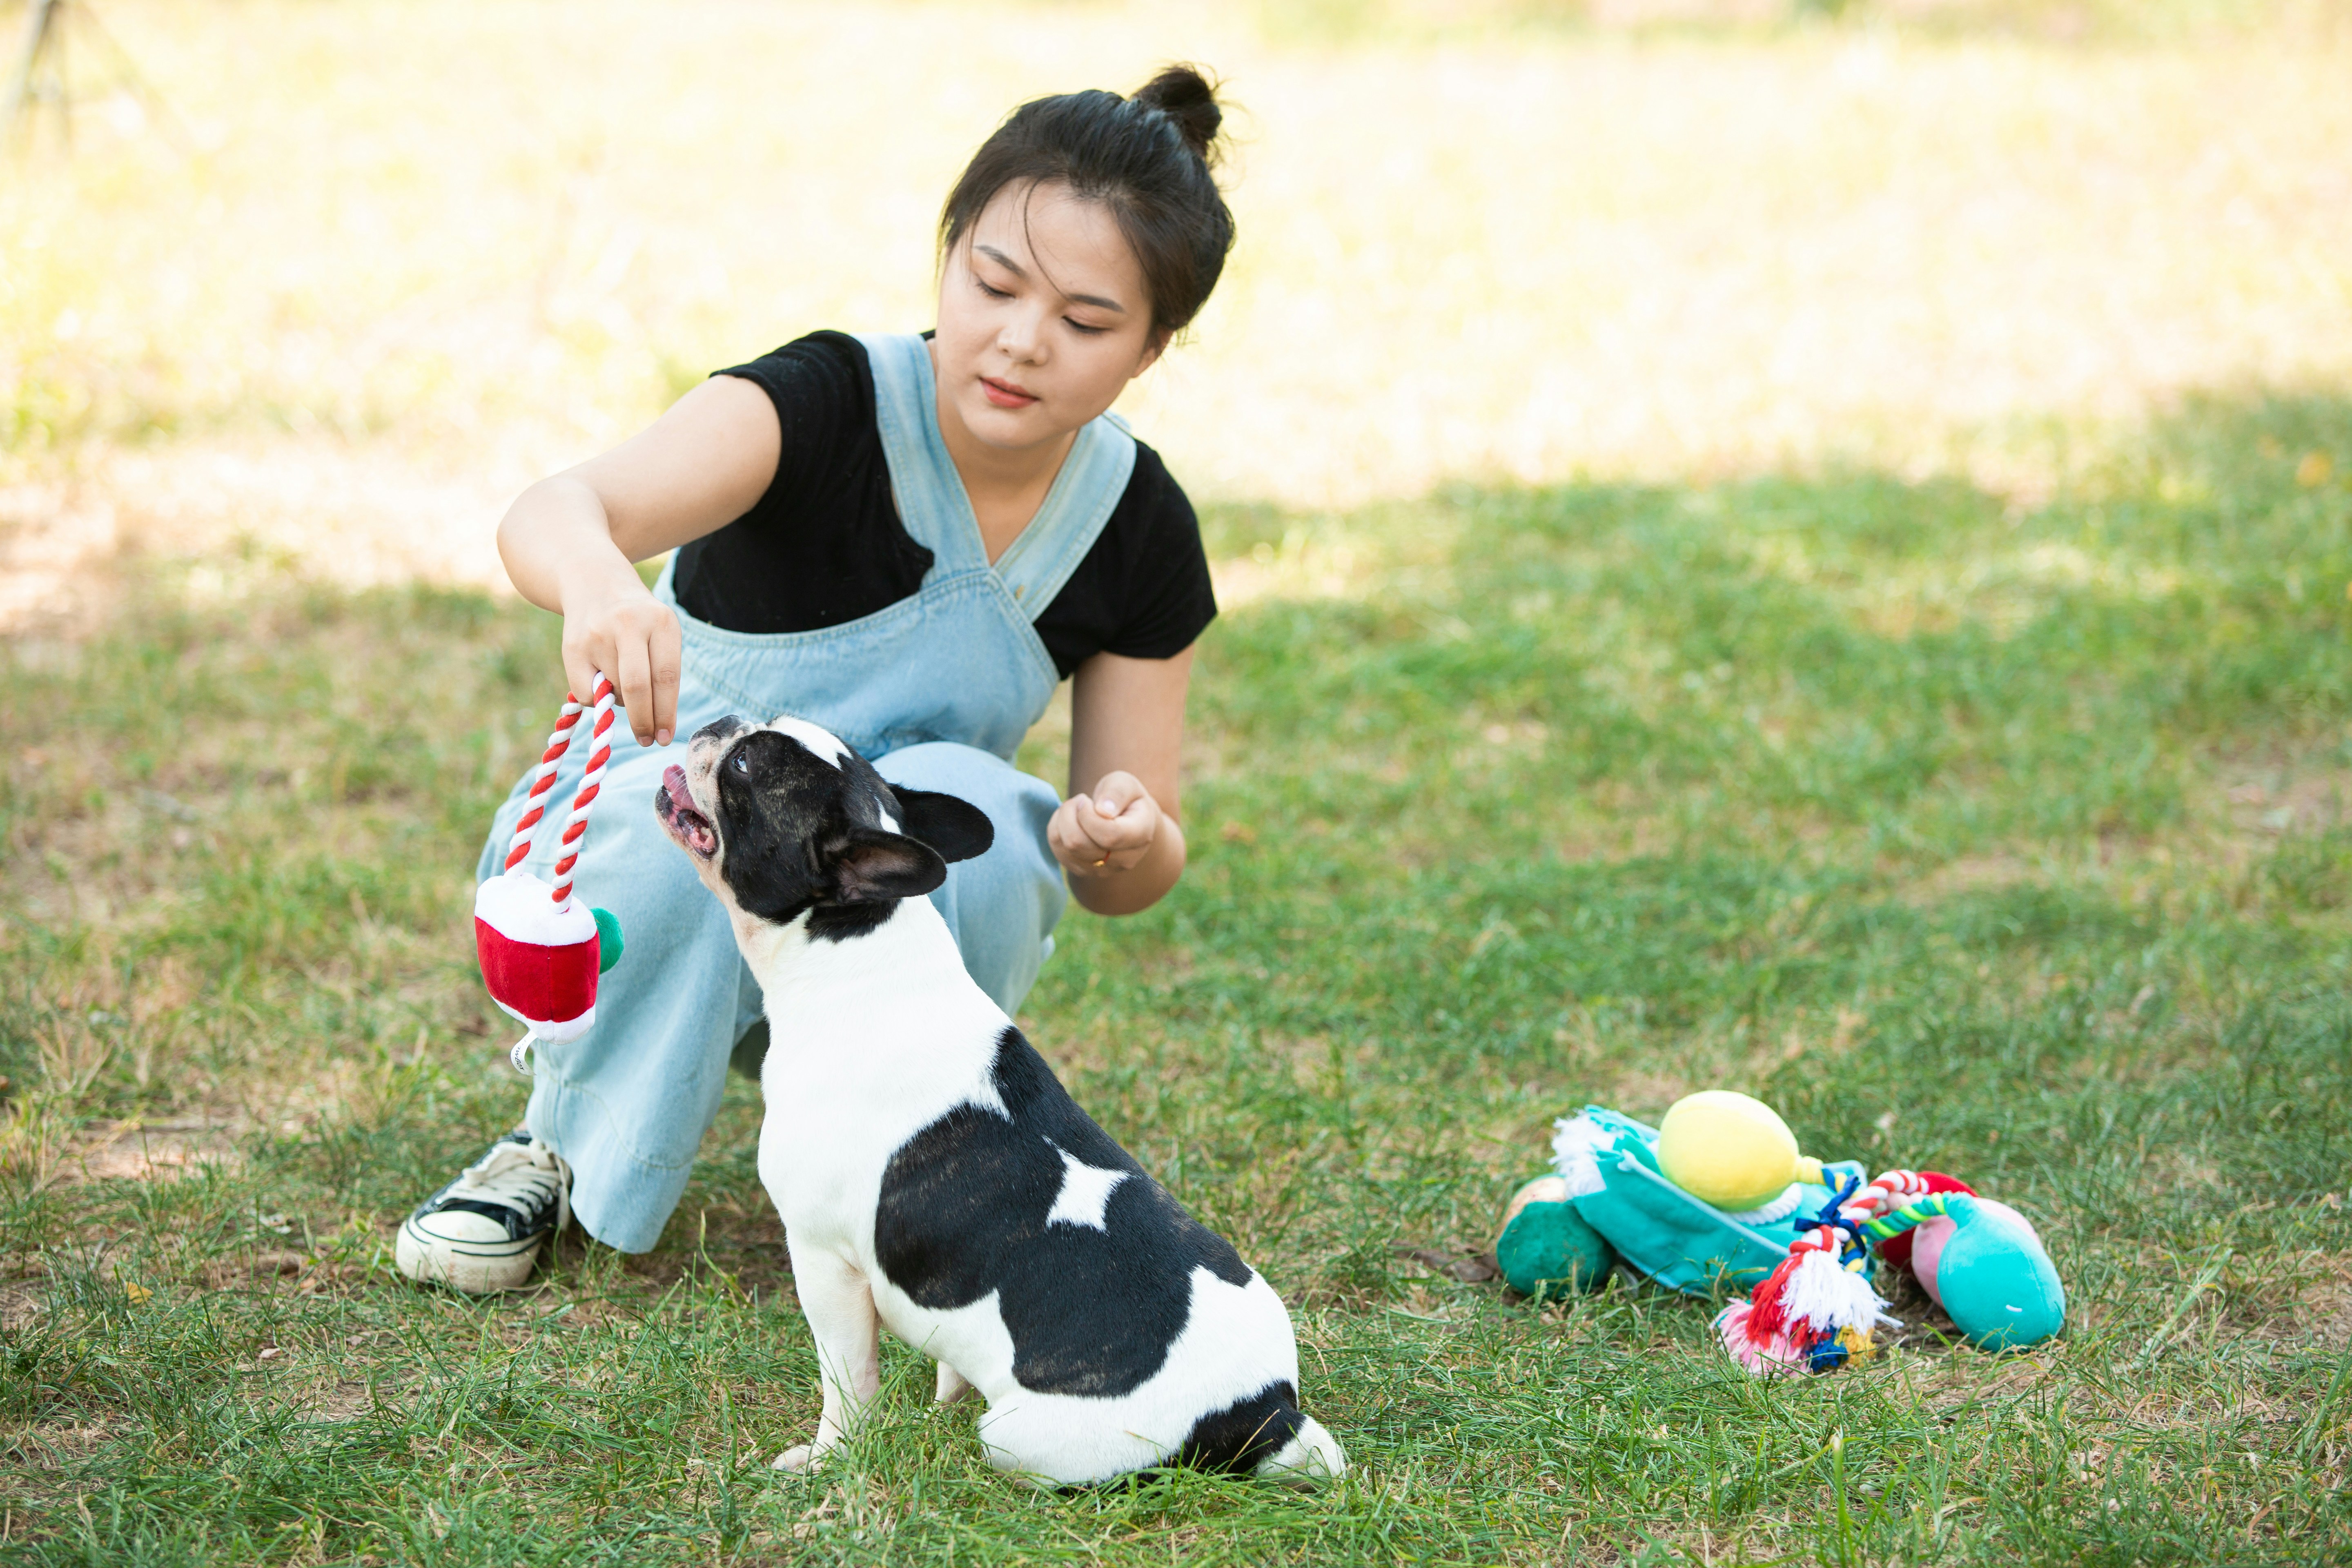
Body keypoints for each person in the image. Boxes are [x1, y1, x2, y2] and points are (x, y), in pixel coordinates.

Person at [396, 67, 1236, 1293]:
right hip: (661, 845)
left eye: (1087, 321)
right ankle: (558, 1147)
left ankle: (910, 1154)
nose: (1020, 340)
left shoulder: (1139, 524)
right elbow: (561, 506)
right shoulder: (826, 403)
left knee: (983, 814)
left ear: (1154, 346)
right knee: (711, 821)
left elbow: (1138, 851)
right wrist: (600, 583)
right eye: (993, 284)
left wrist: (1119, 841)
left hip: (859, 899)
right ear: (948, 256)